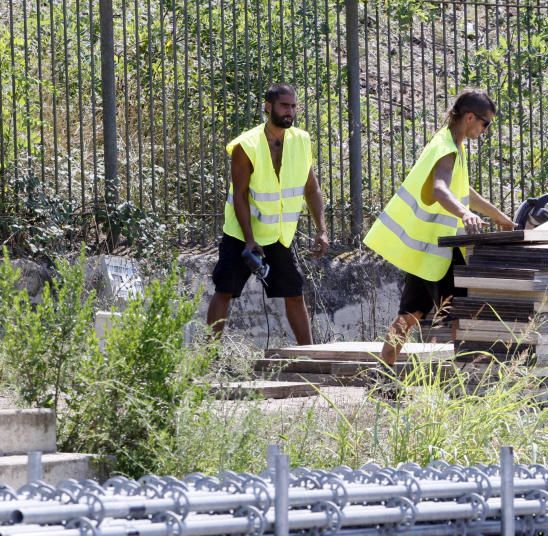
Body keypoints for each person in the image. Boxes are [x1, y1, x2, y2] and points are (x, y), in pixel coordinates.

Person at [364, 89, 515, 367]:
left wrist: (498, 216)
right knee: (463, 315)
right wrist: (465, 214)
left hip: (427, 249)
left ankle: (382, 375)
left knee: (409, 315)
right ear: (470, 117)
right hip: (440, 250)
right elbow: (440, 190)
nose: (486, 129)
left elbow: (462, 190)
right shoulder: (446, 147)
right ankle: (467, 379)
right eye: (486, 123)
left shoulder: (447, 143)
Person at [206, 83, 329, 344]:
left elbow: (312, 188)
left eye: (294, 106)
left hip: (279, 236)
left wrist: (322, 230)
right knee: (225, 290)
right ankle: (207, 358)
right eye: (285, 105)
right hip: (242, 234)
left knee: (294, 293)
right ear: (268, 106)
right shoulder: (246, 145)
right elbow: (239, 195)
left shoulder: (301, 140)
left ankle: (309, 355)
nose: (290, 112)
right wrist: (250, 240)